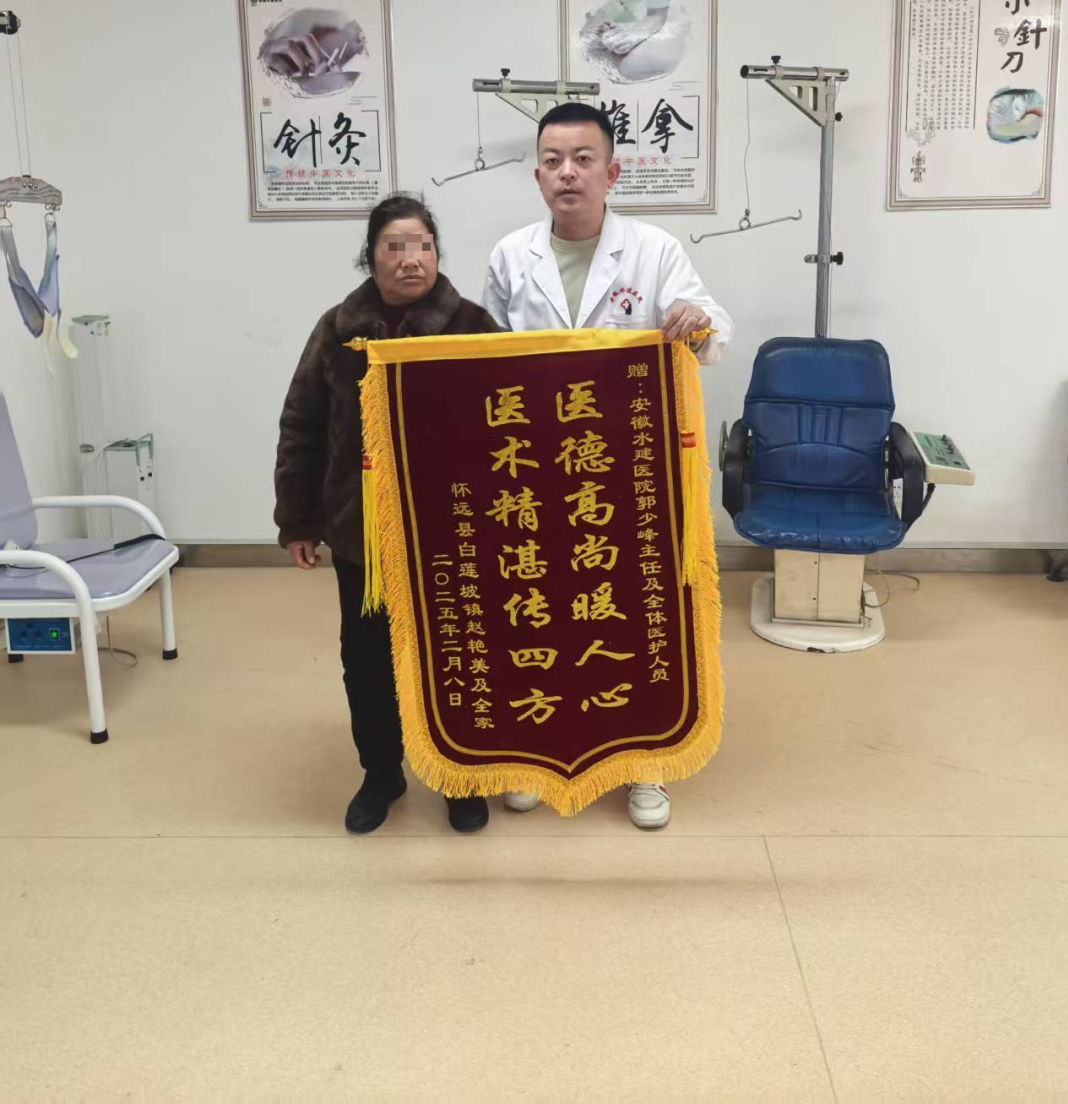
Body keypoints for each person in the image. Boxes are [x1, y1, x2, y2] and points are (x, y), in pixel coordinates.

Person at [483, 101, 733, 830]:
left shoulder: (654, 250)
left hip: (629, 468)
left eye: (583, 159)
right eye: (553, 160)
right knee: (539, 606)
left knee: (634, 609)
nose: (568, 172)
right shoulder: (510, 256)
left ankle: (646, 761)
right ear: (537, 175)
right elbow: (483, 356)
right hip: (534, 468)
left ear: (612, 171)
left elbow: (713, 330)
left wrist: (695, 324)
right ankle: (536, 751)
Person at [274, 194, 501, 836]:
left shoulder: (472, 326)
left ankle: (461, 772)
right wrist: (298, 521)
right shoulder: (338, 330)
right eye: (394, 247)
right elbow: (302, 426)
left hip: (453, 530)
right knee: (368, 658)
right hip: (363, 533)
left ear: (437, 253)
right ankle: (382, 773)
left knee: (457, 652)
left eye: (422, 245)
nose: (410, 260)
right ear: (370, 257)